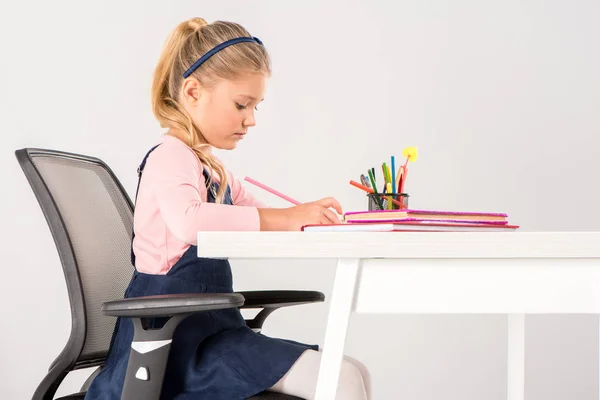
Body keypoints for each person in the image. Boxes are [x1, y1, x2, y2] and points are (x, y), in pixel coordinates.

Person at [84, 17, 371, 400]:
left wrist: (306, 216)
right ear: (192, 92)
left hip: (215, 336)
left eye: (256, 106)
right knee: (343, 379)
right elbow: (189, 221)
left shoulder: (214, 171)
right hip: (173, 353)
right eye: (241, 104)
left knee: (353, 372)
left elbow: (261, 218)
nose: (251, 119)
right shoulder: (170, 157)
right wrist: (285, 218)